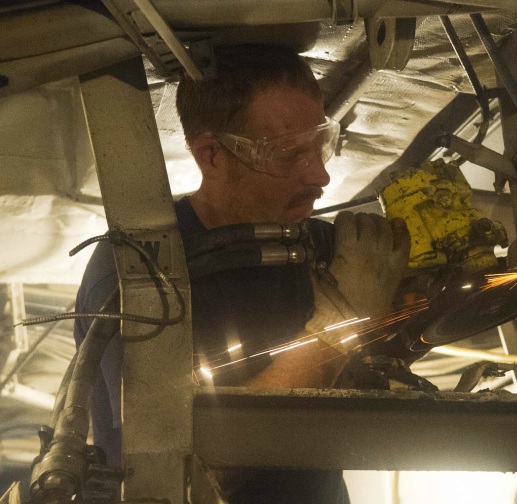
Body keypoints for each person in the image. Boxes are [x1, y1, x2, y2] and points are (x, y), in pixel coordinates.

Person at [74, 44, 410, 503]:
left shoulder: (327, 249)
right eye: (288, 154)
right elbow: (198, 473)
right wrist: (336, 327)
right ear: (211, 155)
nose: (320, 177)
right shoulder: (140, 270)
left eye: (321, 146)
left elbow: (379, 362)